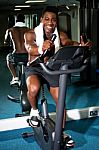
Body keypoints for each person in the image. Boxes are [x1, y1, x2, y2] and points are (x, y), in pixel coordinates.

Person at [24, 6, 92, 147]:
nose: (50, 22)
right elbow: (30, 47)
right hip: (35, 67)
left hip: (52, 68)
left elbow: (68, 43)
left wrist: (81, 46)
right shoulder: (30, 34)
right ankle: (34, 111)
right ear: (42, 20)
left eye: (54, 20)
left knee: (60, 101)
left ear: (56, 22)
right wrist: (40, 48)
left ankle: (60, 133)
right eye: (47, 19)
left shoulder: (60, 34)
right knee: (34, 88)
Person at [4, 14, 30, 85]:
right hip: (27, 56)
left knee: (8, 57)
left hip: (16, 56)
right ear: (24, 20)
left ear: (16, 20)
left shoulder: (10, 30)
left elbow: (5, 42)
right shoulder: (29, 30)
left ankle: (15, 77)